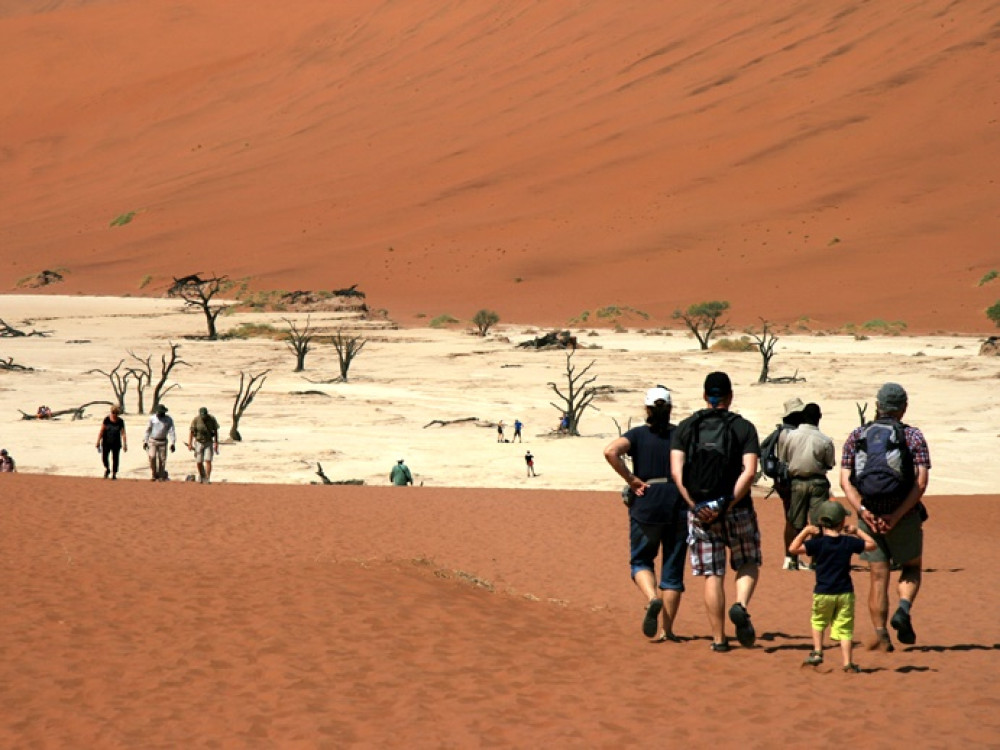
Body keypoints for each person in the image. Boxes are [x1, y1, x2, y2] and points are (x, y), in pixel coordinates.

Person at [670, 371, 761, 652]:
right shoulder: (744, 428)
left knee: (713, 574)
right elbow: (750, 472)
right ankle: (741, 604)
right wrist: (727, 504)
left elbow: (677, 473)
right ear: (730, 396)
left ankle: (719, 639)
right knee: (747, 561)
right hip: (738, 509)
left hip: (700, 513)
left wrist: (696, 506)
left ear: (704, 396)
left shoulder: (685, 427)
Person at [840, 382, 930, 652]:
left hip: (869, 517)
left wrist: (865, 513)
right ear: (904, 408)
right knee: (911, 567)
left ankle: (880, 636)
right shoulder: (913, 436)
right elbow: (921, 482)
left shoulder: (857, 435)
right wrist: (897, 514)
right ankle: (903, 608)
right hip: (904, 516)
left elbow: (845, 482)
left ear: (877, 406)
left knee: (877, 577)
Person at [605, 386, 687, 642]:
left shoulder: (638, 435)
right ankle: (668, 630)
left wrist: (631, 479)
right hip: (677, 503)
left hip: (647, 501)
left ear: (647, 409)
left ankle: (652, 598)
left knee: (641, 560)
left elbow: (610, 451)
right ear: (670, 409)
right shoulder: (682, 436)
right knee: (672, 571)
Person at [789, 500, 876, 672]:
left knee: (818, 621)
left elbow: (793, 548)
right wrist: (858, 531)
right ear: (842, 522)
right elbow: (872, 545)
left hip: (823, 591)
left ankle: (818, 652)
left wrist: (806, 531)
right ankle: (847, 662)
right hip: (845, 592)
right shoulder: (848, 542)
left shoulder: (818, 543)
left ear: (821, 522)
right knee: (845, 628)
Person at [778, 401, 835, 570]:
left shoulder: (790, 436)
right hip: (818, 482)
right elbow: (830, 463)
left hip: (797, 482)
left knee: (795, 522)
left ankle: (792, 558)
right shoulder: (825, 440)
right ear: (819, 418)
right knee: (818, 523)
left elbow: (784, 459)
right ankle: (815, 561)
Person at [187, 406, 220, 484]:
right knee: (199, 461)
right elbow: (191, 432)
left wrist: (216, 442)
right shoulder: (196, 420)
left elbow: (215, 431)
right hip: (198, 442)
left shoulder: (212, 419)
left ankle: (207, 478)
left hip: (208, 442)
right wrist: (190, 444)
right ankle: (202, 475)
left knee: (208, 460)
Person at [143, 403, 176, 481]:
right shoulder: (152, 418)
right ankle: (154, 473)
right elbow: (148, 430)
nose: (159, 414)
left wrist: (173, 443)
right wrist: (145, 441)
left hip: (163, 441)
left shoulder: (168, 419)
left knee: (162, 459)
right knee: (152, 457)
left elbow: (172, 431)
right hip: (153, 441)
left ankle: (161, 475)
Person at [96, 404, 128, 479]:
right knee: (104, 458)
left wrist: (125, 444)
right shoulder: (106, 419)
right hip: (106, 442)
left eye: (116, 413)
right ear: (111, 412)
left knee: (115, 458)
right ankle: (107, 469)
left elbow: (123, 433)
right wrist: (98, 441)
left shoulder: (120, 421)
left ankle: (114, 473)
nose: (114, 414)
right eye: (113, 413)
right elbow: (101, 431)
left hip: (116, 443)